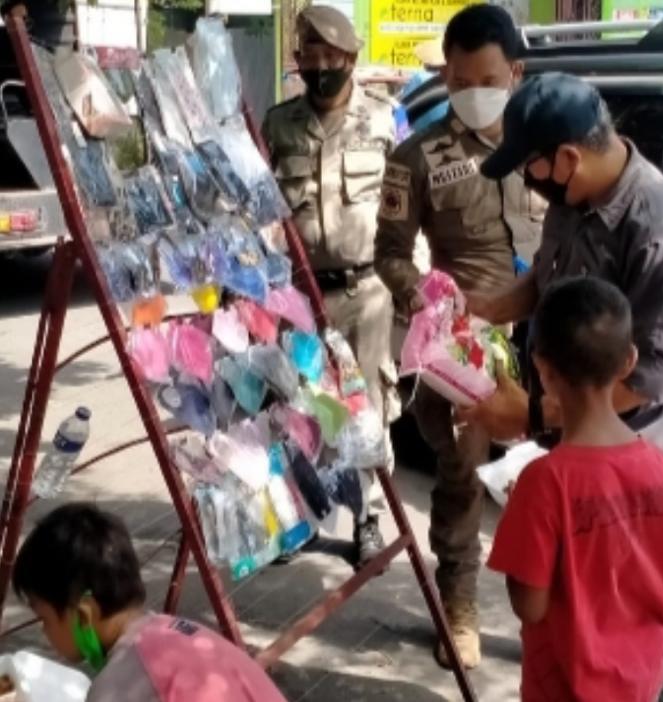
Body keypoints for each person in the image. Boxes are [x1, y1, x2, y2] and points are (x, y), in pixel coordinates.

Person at [466, 72, 663, 700]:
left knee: (638, 630)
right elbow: (548, 283)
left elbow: (653, 378)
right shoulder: (572, 199)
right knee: (580, 626)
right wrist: (486, 310)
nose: (530, 181)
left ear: (568, 158)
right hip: (579, 448)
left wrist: (531, 416)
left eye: (531, 166)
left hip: (634, 461)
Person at [374, 3, 544, 670]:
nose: (474, 93)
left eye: (489, 79)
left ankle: (544, 613)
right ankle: (461, 610)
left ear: (516, 72)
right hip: (464, 355)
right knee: (463, 482)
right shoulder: (416, 155)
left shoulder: (542, 144)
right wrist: (428, 303)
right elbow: (390, 252)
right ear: (445, 76)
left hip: (539, 345)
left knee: (548, 483)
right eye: (459, 80)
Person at [488, 276, 663, 701]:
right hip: (642, 684)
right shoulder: (661, 468)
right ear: (629, 360)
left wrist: (516, 525)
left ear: (542, 368)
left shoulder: (544, 481)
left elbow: (530, 605)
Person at [262, 5, 399, 568]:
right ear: (298, 62)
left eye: (331, 57)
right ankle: (296, 521)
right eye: (310, 57)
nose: (321, 67)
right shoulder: (277, 125)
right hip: (297, 294)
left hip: (365, 294)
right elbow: (258, 205)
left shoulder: (387, 122)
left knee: (364, 409)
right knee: (295, 406)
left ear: (351, 58)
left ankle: (367, 518)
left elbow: (404, 211)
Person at [12, 503, 287, 702]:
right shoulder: (181, 631)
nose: (43, 631)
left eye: (44, 618)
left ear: (84, 616)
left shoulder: (117, 689)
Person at [397, 36, 449, 134]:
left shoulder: (419, 77)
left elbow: (402, 111)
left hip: (423, 134)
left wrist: (401, 137)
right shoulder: (455, 82)